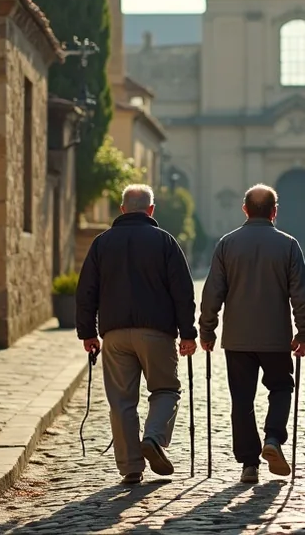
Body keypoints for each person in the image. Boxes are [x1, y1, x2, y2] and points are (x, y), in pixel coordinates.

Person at [76, 184, 198, 486]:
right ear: (151, 210)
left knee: (121, 401)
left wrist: (87, 332)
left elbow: (86, 291)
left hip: (115, 334)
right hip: (157, 332)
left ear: (122, 209)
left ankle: (131, 467)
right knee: (166, 390)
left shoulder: (101, 243)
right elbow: (183, 291)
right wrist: (188, 333)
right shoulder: (165, 242)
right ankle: (154, 438)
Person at [199, 184, 305, 484]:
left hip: (237, 338)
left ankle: (249, 464)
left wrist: (207, 329)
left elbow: (213, 292)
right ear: (275, 211)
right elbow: (301, 294)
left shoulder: (227, 244)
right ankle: (273, 438)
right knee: (281, 388)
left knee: (242, 399)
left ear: (245, 209)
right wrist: (304, 332)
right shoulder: (288, 245)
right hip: (276, 337)